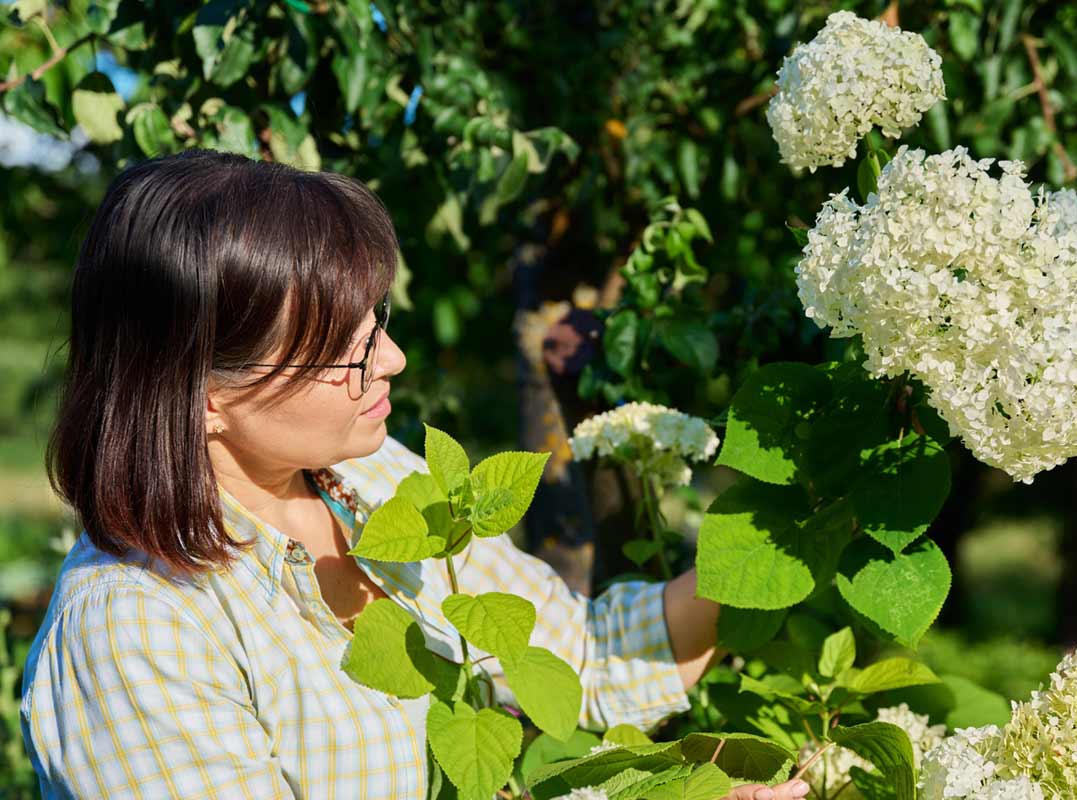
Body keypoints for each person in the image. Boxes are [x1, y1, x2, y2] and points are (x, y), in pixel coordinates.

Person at [19, 150, 809, 800]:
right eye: (345, 350)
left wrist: (778, 540)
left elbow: (580, 660)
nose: (391, 361)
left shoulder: (375, 480)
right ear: (204, 396)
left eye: (377, 323)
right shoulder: (134, 628)